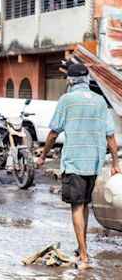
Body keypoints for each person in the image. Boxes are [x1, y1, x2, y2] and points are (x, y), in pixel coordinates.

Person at [36, 63, 121, 264]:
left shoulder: (67, 100)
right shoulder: (100, 101)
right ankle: (80, 246)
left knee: (76, 206)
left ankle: (83, 254)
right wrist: (116, 163)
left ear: (71, 80)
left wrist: (42, 156)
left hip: (74, 161)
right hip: (94, 162)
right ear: (87, 79)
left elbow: (54, 132)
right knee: (84, 204)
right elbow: (110, 135)